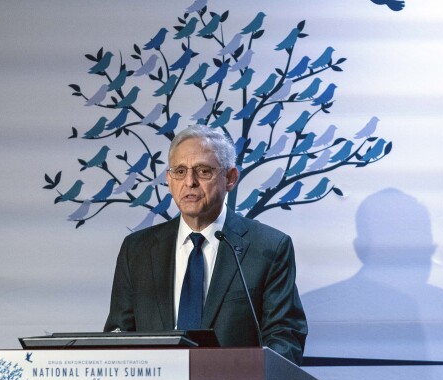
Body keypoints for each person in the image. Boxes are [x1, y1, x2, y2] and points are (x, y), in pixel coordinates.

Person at [104, 124, 307, 365]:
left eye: (203, 171)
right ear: (169, 180)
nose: (189, 182)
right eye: (179, 171)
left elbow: (284, 337)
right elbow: (119, 334)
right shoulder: (137, 249)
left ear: (230, 178)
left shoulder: (268, 247)